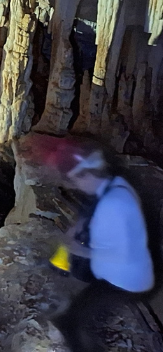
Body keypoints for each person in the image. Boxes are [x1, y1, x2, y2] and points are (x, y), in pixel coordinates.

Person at [48, 140, 154, 352]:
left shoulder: (114, 203)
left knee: (70, 324)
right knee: (75, 312)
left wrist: (79, 250)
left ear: (85, 175)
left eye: (74, 181)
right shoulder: (115, 186)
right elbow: (96, 214)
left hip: (124, 281)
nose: (76, 187)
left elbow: (122, 254)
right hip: (120, 274)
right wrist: (81, 226)